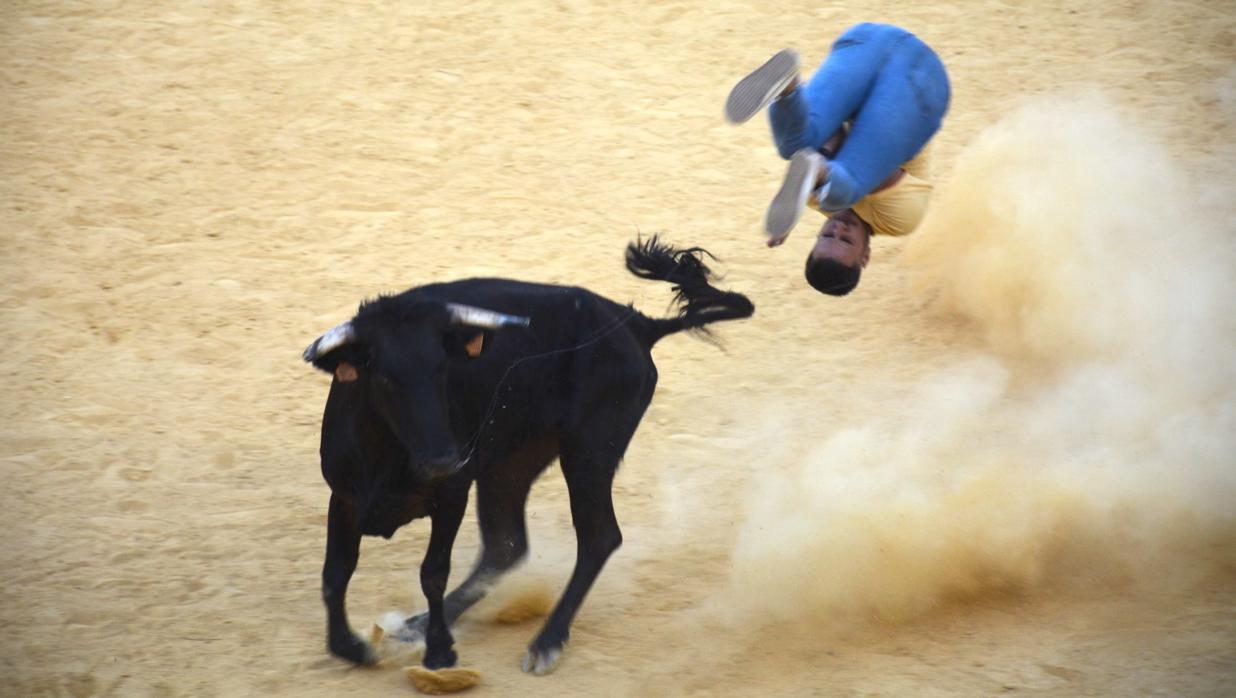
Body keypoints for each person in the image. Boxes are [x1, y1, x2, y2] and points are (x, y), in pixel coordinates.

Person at [725, 23, 951, 295]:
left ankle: (787, 88)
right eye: (845, 240)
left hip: (867, 46)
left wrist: (814, 173)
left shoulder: (812, 196)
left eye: (827, 234)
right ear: (865, 256)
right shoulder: (901, 221)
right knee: (844, 184)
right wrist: (817, 179)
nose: (839, 227)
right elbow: (877, 167)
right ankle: (818, 165)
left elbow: (833, 133)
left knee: (796, 147)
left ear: (817, 235)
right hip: (919, 80)